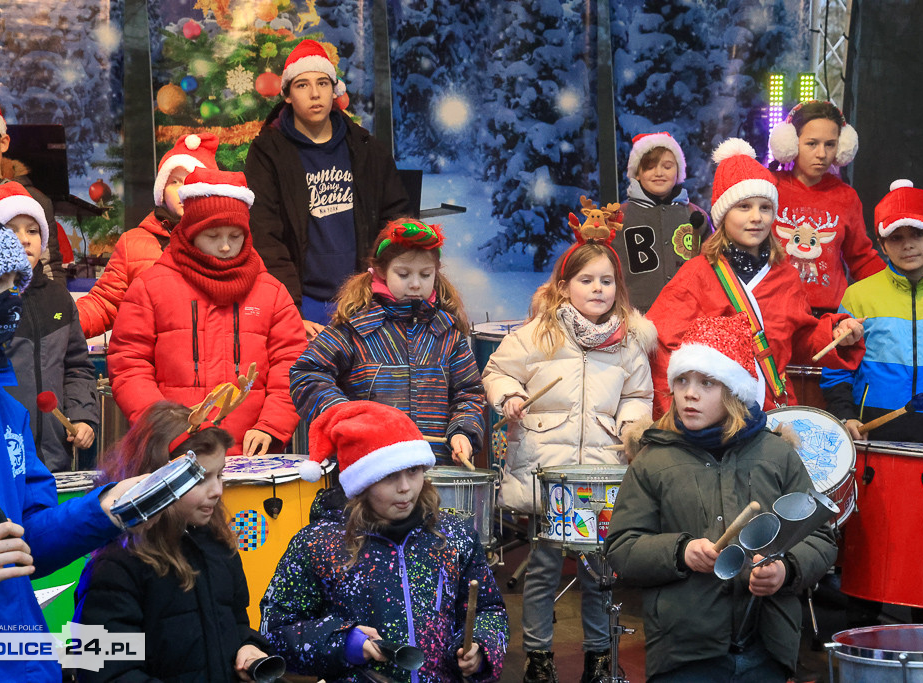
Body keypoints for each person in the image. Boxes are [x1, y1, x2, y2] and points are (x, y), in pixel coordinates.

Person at [0, 220, 144, 683]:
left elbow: (29, 540)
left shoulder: (7, 412)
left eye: (13, 286)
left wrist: (105, 510)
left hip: (22, 660)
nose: (9, 301)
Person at [606, 313, 837, 682]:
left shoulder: (777, 455)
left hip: (766, 647)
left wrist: (787, 569)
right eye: (681, 380)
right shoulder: (653, 461)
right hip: (684, 651)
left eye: (707, 382)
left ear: (734, 390)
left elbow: (820, 537)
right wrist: (681, 552)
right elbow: (622, 546)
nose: (690, 393)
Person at [481, 220, 656, 683]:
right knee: (543, 568)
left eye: (606, 281)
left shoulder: (628, 344)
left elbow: (638, 395)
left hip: (599, 474)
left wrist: (630, 426)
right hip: (548, 472)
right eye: (586, 279)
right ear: (563, 287)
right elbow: (498, 371)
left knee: (599, 571)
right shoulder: (536, 334)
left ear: (617, 289)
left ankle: (599, 657)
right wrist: (510, 396)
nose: (598, 288)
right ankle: (538, 657)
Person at [261, 400, 508, 682]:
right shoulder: (317, 544)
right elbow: (275, 632)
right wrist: (343, 642)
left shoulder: (454, 536)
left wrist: (480, 647)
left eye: (413, 471)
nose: (405, 487)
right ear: (362, 481)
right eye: (389, 476)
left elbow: (489, 609)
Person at [646, 138, 865, 417]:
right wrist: (676, 415)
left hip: (773, 413)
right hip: (716, 419)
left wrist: (835, 334)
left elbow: (797, 340)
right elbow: (662, 348)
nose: (756, 217)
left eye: (765, 207)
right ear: (723, 214)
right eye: (744, 207)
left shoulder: (786, 276)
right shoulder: (696, 274)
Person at [108, 168, 307, 456]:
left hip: (252, 455)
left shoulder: (272, 293)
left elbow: (292, 364)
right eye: (212, 235)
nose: (225, 246)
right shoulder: (150, 288)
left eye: (235, 236)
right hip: (173, 453)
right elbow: (129, 364)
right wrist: (163, 429)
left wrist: (272, 425)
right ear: (191, 232)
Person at [74, 401, 273, 681]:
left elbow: (236, 622)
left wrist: (248, 646)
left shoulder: (218, 545)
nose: (217, 490)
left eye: (220, 474)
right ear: (155, 479)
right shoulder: (115, 565)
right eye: (200, 479)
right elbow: (101, 669)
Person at [244, 39, 409, 337]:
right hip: (302, 303)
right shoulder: (268, 153)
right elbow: (266, 237)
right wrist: (288, 311)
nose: (315, 93)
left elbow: (396, 222)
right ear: (287, 95)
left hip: (366, 300)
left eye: (322, 83)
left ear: (334, 90)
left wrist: (384, 294)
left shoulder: (366, 148)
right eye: (302, 85)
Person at [290, 218, 485, 466]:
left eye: (425, 274)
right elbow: (306, 374)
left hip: (433, 470)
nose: (415, 284)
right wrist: (344, 415)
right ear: (381, 271)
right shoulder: (355, 327)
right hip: (368, 469)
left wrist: (463, 431)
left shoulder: (447, 334)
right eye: (403, 274)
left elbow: (469, 393)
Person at [822, 179, 923, 446]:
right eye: (896, 237)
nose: (907, 245)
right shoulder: (858, 295)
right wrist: (845, 416)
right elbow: (837, 368)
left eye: (918, 234)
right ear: (882, 244)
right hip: (870, 438)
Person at [0, 183, 97, 471]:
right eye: (11, 230)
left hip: (54, 459)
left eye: (33, 231)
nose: (24, 239)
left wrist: (82, 415)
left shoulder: (58, 298)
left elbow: (77, 366)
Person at [77, 132, 219, 339]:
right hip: (152, 355)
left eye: (192, 181)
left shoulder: (227, 241)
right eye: (175, 182)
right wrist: (60, 323)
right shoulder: (133, 243)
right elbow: (104, 303)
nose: (183, 191)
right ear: (162, 191)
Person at [768, 100, 885, 314]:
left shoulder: (846, 197)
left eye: (830, 144)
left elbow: (861, 258)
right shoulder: (768, 187)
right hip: (774, 312)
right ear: (791, 142)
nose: (822, 154)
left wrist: (897, 288)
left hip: (828, 316)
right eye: (812, 144)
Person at [0, 97, 65, 283]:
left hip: (27, 297)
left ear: (3, 143)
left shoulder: (33, 200)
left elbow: (49, 267)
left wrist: (55, 300)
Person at [614, 132, 711, 311]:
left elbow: (713, 271)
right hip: (634, 316)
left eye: (667, 166)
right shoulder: (617, 218)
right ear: (637, 173)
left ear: (678, 172)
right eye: (649, 167)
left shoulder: (697, 216)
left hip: (689, 314)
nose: (659, 173)